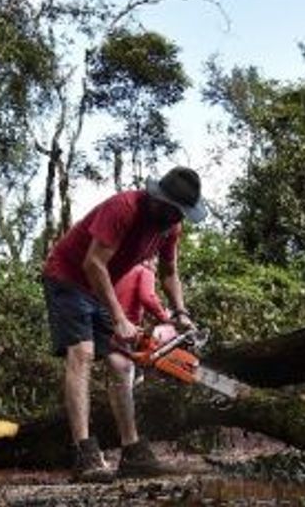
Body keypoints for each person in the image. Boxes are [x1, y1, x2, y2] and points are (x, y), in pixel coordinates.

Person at [41, 166, 206, 482]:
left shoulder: (170, 228)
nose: (178, 218)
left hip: (99, 288)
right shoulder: (124, 208)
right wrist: (119, 317)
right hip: (68, 276)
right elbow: (93, 263)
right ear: (159, 201)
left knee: (120, 363)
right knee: (83, 353)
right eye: (175, 211)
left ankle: (132, 451)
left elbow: (170, 273)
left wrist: (180, 312)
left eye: (183, 214)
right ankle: (84, 453)